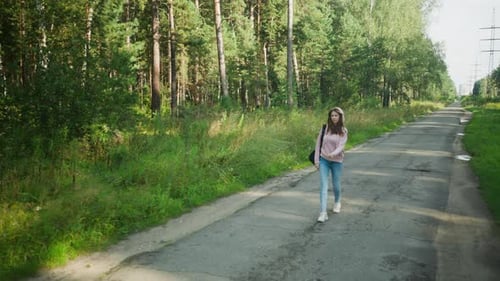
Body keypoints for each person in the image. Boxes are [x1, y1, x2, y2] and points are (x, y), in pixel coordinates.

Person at [313, 107, 348, 223]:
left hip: (336, 161)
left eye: (336, 115)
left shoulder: (343, 131)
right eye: (332, 115)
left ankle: (337, 201)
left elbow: (341, 146)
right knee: (323, 185)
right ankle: (323, 213)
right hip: (324, 160)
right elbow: (318, 144)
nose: (333, 117)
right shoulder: (325, 128)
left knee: (336, 184)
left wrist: (333, 154)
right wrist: (316, 161)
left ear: (340, 117)